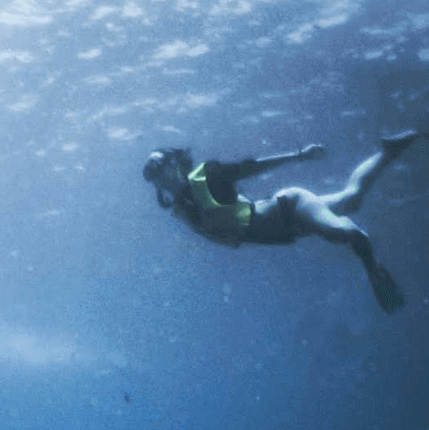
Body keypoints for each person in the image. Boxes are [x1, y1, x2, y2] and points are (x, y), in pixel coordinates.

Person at [142, 132, 424, 313]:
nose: (157, 178)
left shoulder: (205, 177)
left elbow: (249, 167)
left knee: (346, 234)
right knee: (352, 197)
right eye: (152, 175)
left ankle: (372, 269)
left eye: (159, 168)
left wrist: (299, 155)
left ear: (176, 165)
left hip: (290, 207)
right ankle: (390, 150)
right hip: (289, 228)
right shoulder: (182, 210)